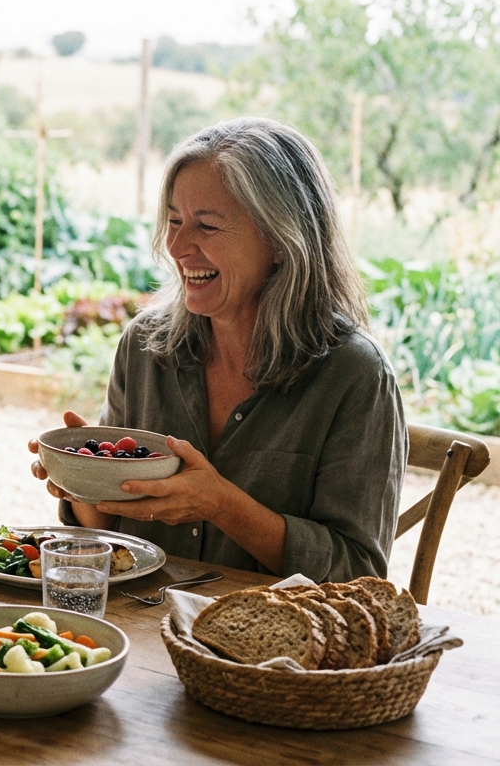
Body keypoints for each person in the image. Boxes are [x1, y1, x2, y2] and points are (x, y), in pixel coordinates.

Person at [28, 117, 406, 583]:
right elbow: (110, 533)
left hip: (270, 644)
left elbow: (358, 572)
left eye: (206, 225)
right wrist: (83, 479)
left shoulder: (355, 376)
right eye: (173, 220)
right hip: (144, 625)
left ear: (282, 241)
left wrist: (221, 504)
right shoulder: (145, 347)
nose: (178, 245)